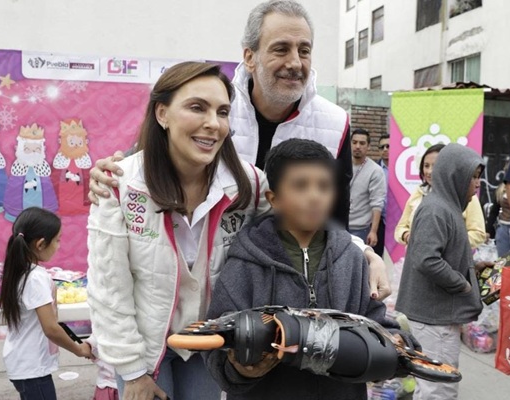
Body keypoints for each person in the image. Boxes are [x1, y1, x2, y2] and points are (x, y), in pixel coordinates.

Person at [86, 0, 392, 300]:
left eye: (304, 50)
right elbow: (148, 163)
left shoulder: (335, 123)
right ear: (250, 56)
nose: (295, 62)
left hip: (279, 287)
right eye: (281, 49)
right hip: (198, 286)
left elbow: (332, 220)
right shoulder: (215, 109)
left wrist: (365, 253)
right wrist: (111, 173)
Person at [87, 62, 270, 400]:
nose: (213, 124)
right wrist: (132, 371)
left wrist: (362, 251)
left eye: (223, 111)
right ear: (162, 114)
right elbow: (109, 288)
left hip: (208, 340)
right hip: (145, 348)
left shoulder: (250, 184)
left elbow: (303, 222)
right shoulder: (118, 184)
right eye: (197, 107)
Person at [206, 139, 414, 400]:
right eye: (301, 185)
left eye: (324, 186)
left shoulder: (351, 259)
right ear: (274, 198)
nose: (315, 196)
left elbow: (377, 323)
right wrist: (241, 370)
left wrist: (396, 345)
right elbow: (216, 348)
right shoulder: (244, 265)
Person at [395, 144, 490, 400]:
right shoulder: (436, 209)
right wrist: (462, 284)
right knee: (438, 388)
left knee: (439, 385)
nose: (477, 183)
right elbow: (426, 260)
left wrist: (473, 269)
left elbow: (443, 255)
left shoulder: (448, 207)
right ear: (453, 175)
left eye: (478, 176)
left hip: (439, 316)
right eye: (472, 176)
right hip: (432, 318)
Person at [0, 207, 94, 400]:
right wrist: (79, 349)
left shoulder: (20, 271)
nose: (59, 245)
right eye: (58, 240)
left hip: (23, 364)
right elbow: (51, 328)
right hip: (32, 369)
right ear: (41, 244)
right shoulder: (35, 278)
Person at [395, 143, 487, 249]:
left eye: (435, 166)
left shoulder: (466, 196)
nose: (429, 171)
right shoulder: (419, 193)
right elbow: (400, 228)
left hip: (451, 261)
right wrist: (408, 236)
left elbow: (478, 234)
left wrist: (444, 244)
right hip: (416, 258)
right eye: (426, 166)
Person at [348, 129, 386, 251]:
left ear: (368, 146)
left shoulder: (375, 171)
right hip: (337, 226)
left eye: (362, 143)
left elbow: (377, 203)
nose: (357, 146)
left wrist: (373, 231)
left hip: (360, 229)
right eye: (354, 142)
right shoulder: (340, 165)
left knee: (356, 266)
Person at [485, 160, 510, 257]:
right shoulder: (501, 189)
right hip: (503, 228)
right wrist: (488, 230)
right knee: (503, 260)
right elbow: (494, 212)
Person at [375, 134, 389, 256]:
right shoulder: (374, 169)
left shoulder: (402, 168)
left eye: (388, 146)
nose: (385, 149)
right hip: (379, 222)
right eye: (382, 147)